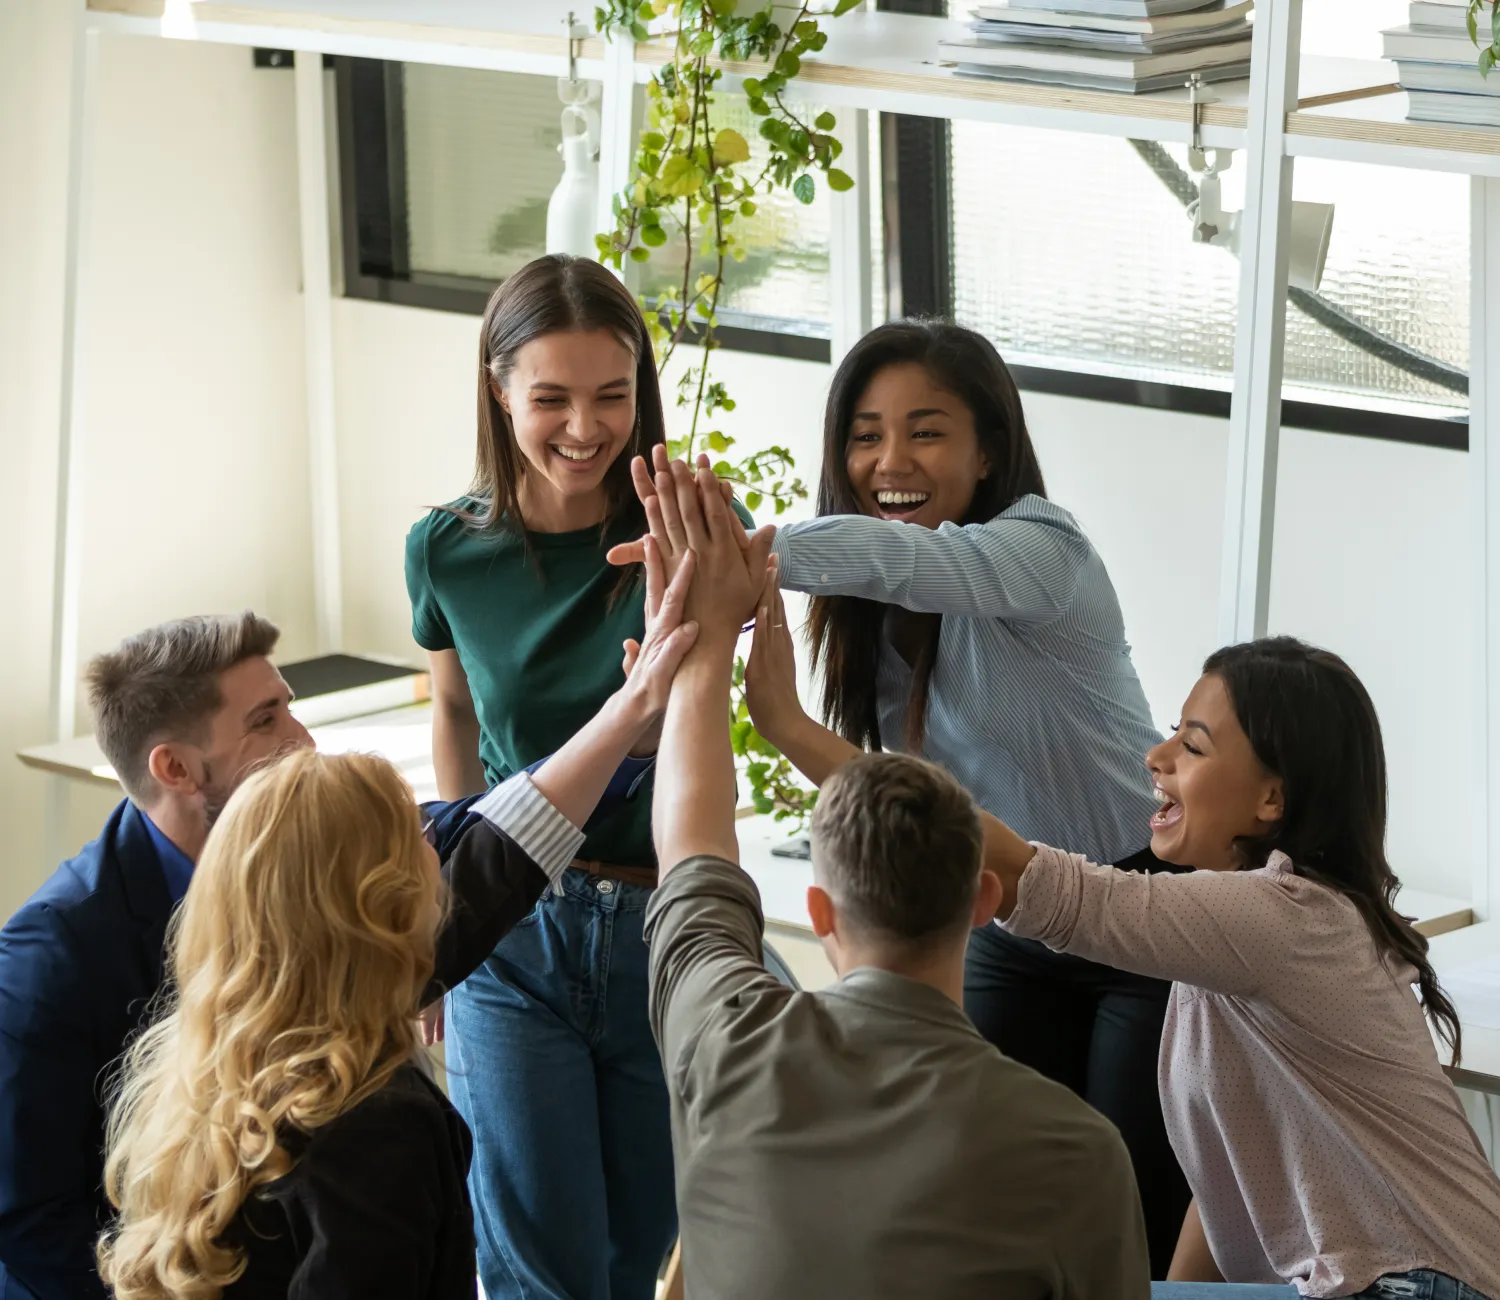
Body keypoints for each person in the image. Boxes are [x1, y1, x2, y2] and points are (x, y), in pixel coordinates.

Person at [613, 320, 1189, 1272]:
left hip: (1136, 908)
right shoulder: (871, 622)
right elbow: (922, 803)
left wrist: (745, 553)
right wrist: (782, 718)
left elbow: (925, 563)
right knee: (990, 1188)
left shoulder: (1044, 547)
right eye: (866, 434)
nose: (890, 461)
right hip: (1002, 912)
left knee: (1128, 1190)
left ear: (988, 448)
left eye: (926, 431)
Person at [748, 600, 1500, 1299]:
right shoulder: (1228, 936)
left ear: (1272, 799)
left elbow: (1019, 873)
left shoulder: (1282, 916)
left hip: (1414, 1283)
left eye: (1192, 745)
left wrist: (784, 721)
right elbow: (1236, 1186)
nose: (1156, 754)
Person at [96, 548, 702, 1299]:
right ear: (370, 912)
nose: (435, 848)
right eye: (411, 841)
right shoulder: (381, 1129)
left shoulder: (215, 1067)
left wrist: (633, 712)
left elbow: (496, 839)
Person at [405, 253, 751, 1300]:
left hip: (657, 924)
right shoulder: (444, 550)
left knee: (649, 1250)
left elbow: (702, 724)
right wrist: (448, 916)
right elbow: (457, 714)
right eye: (550, 397)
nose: (585, 427)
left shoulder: (687, 521)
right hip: (516, 922)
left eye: (613, 395)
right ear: (498, 389)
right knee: (534, 1261)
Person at [0, 613, 310, 1300]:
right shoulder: (49, 959)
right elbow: (30, 1220)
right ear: (174, 768)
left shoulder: (289, 868)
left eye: (290, 709)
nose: (303, 741)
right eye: (265, 722)